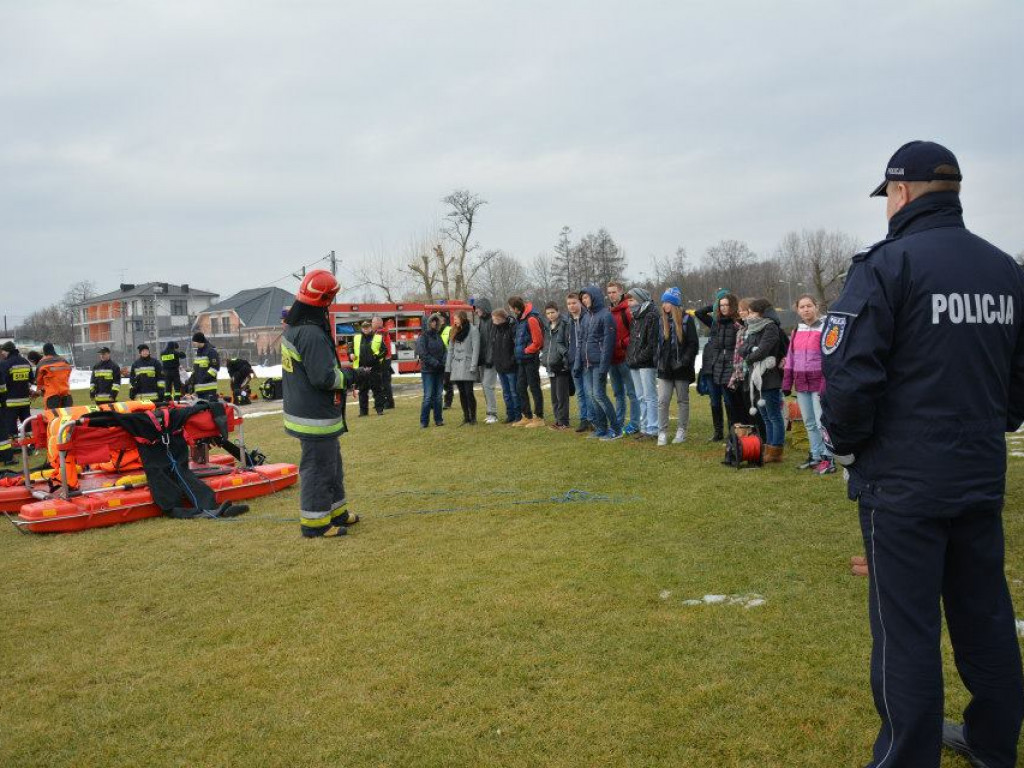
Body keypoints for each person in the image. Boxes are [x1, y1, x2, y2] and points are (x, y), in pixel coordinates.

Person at [822, 140, 1024, 768]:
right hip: (977, 472)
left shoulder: (887, 265)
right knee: (984, 614)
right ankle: (994, 742)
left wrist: (849, 448)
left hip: (903, 485)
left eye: (889, 197)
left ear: (901, 193)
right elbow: (1016, 383)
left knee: (905, 629)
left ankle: (907, 757)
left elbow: (850, 377)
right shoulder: (1003, 269)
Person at [281, 269, 359, 538]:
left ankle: (336, 512)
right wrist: (351, 375)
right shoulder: (311, 334)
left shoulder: (296, 329)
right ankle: (315, 524)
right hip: (315, 417)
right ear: (323, 301)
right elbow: (323, 378)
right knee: (318, 469)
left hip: (311, 412)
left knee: (332, 465)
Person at [782, 295, 832, 474]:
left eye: (809, 306)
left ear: (816, 307)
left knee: (821, 422)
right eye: (802, 307)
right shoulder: (797, 330)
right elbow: (791, 358)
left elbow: (830, 358)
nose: (806, 310)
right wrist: (787, 383)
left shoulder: (826, 328)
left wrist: (828, 381)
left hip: (820, 382)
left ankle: (828, 458)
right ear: (798, 310)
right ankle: (815, 455)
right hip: (801, 383)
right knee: (809, 422)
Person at [738, 298, 785, 462]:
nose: (748, 315)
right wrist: (751, 350)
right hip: (756, 377)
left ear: (761, 312)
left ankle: (775, 450)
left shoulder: (770, 327)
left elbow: (764, 350)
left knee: (773, 415)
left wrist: (749, 357)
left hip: (769, 377)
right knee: (765, 416)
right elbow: (742, 348)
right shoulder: (752, 328)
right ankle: (768, 447)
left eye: (751, 312)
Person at [574, 285, 621, 440]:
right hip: (587, 364)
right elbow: (580, 341)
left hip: (598, 364)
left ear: (594, 297)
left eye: (586, 297)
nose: (584, 301)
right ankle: (601, 428)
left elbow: (608, 344)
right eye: (582, 299)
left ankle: (616, 429)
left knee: (599, 395)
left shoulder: (606, 316)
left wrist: (603, 368)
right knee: (592, 396)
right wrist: (577, 363)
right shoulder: (586, 317)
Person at [655, 288, 699, 446]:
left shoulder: (687, 319)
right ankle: (662, 432)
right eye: (663, 302)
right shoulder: (661, 321)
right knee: (662, 400)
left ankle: (682, 431)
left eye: (668, 302)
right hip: (665, 368)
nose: (665, 305)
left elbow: (693, 344)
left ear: (674, 303)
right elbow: (658, 344)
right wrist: (658, 360)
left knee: (682, 400)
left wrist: (684, 361)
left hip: (682, 368)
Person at [695, 289, 734, 441]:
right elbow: (699, 313)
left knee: (729, 401)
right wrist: (715, 304)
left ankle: (732, 431)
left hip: (725, 367)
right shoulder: (714, 323)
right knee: (714, 400)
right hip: (710, 367)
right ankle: (718, 432)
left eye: (726, 304)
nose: (722, 307)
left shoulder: (734, 323)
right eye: (721, 304)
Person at [625, 288, 660, 440]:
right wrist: (630, 358)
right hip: (634, 363)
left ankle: (653, 429)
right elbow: (633, 341)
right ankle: (645, 427)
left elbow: (651, 344)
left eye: (632, 300)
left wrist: (639, 357)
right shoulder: (635, 317)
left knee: (649, 396)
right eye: (628, 300)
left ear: (640, 299)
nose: (629, 303)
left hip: (646, 363)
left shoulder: (651, 316)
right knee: (640, 397)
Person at [606, 282, 640, 434]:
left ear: (620, 292)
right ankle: (618, 422)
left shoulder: (627, 310)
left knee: (632, 393)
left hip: (625, 358)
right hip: (612, 360)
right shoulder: (608, 311)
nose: (611, 295)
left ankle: (634, 423)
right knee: (618, 393)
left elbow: (635, 333)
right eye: (609, 292)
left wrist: (620, 343)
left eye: (614, 292)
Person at [508, 296, 545, 428]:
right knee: (520, 387)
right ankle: (527, 416)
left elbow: (538, 341)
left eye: (511, 308)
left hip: (531, 359)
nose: (511, 311)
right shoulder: (520, 320)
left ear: (516, 308)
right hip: (521, 360)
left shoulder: (531, 319)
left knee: (534, 387)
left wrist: (526, 351)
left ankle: (539, 417)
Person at [0, 341, 34, 465]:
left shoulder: (5, 364)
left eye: (3, 351)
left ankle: (14, 447)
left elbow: (3, 382)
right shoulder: (25, 362)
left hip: (10, 401)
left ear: (7, 351)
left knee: (10, 426)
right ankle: (30, 445)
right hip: (24, 400)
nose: (2, 353)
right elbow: (31, 379)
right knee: (27, 424)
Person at [445, 311, 479, 425]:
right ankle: (466, 417)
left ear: (462, 318)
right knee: (461, 393)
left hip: (468, 365)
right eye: (454, 319)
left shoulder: (473, 330)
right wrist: (448, 367)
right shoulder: (453, 331)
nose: (454, 321)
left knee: (469, 392)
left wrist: (473, 366)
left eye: (456, 319)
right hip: (456, 366)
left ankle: (473, 417)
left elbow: (476, 349)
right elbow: (450, 350)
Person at [565, 292, 592, 432]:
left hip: (585, 361)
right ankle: (583, 419)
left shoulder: (587, 317)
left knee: (589, 392)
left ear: (580, 302)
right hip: (572, 361)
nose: (571, 306)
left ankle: (592, 419)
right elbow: (565, 341)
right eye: (569, 304)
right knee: (580, 392)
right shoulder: (567, 320)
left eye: (574, 303)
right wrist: (567, 355)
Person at [543, 303, 572, 430]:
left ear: (558, 311)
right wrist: (544, 359)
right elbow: (547, 346)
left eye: (552, 312)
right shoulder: (547, 327)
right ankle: (557, 420)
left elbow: (566, 344)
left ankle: (563, 421)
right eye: (548, 313)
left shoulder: (565, 324)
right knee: (554, 396)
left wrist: (565, 360)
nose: (550, 315)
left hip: (561, 365)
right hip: (551, 365)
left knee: (562, 396)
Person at [415, 312, 447, 428]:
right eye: (432, 321)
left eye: (435, 321)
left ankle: (438, 419)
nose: (434, 323)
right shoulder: (422, 338)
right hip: (428, 371)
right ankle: (424, 421)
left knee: (438, 396)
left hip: (439, 370)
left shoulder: (438, 336)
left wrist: (442, 362)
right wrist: (435, 363)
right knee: (428, 396)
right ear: (427, 323)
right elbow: (423, 354)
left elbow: (445, 350)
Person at [490, 308, 521, 424]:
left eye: (494, 319)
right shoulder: (495, 330)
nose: (493, 321)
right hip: (500, 365)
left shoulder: (511, 328)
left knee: (514, 391)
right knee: (506, 392)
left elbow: (515, 347)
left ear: (500, 318)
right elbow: (493, 346)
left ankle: (518, 414)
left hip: (511, 366)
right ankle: (510, 414)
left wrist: (512, 361)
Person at [352, 320, 386, 417]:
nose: (366, 329)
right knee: (362, 391)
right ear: (361, 328)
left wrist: (376, 357)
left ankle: (380, 410)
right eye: (364, 327)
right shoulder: (356, 337)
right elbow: (350, 348)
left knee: (377, 390)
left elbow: (384, 351)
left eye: (367, 327)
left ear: (371, 328)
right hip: (361, 369)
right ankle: (363, 412)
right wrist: (350, 353)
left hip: (374, 368)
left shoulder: (378, 337)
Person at [473, 298, 499, 423]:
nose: (476, 310)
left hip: (491, 361)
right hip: (483, 360)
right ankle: (489, 412)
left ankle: (493, 413)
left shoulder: (492, 321)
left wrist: (490, 358)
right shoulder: (481, 322)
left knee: (488, 385)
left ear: (483, 307)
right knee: (484, 386)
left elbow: (492, 342)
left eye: (477, 308)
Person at [33, 342, 73, 409]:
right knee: (68, 418)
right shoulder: (64, 361)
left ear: (44, 351)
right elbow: (68, 373)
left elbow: (39, 381)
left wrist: (39, 391)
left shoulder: (42, 363)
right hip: (66, 395)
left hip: (52, 396)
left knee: (53, 418)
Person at [371, 316, 396, 410]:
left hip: (384, 359)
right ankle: (383, 402)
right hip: (384, 359)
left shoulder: (381, 332)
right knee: (382, 381)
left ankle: (388, 403)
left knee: (384, 382)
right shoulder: (381, 332)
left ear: (378, 323)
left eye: (373, 322)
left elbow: (377, 347)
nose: (372, 324)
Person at [190, 332, 221, 402]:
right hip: (200, 389)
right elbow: (197, 368)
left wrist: (204, 378)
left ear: (199, 341)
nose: (193, 343)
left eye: (194, 341)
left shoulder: (211, 351)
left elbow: (215, 368)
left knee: (210, 409)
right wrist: (192, 378)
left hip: (209, 388)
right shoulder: (199, 352)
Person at [438, 313, 454, 410]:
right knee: (437, 382)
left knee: (447, 383)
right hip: (436, 360)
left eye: (439, 318)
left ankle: (448, 402)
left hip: (447, 360)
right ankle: (436, 401)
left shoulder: (449, 330)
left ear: (443, 319)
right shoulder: (435, 330)